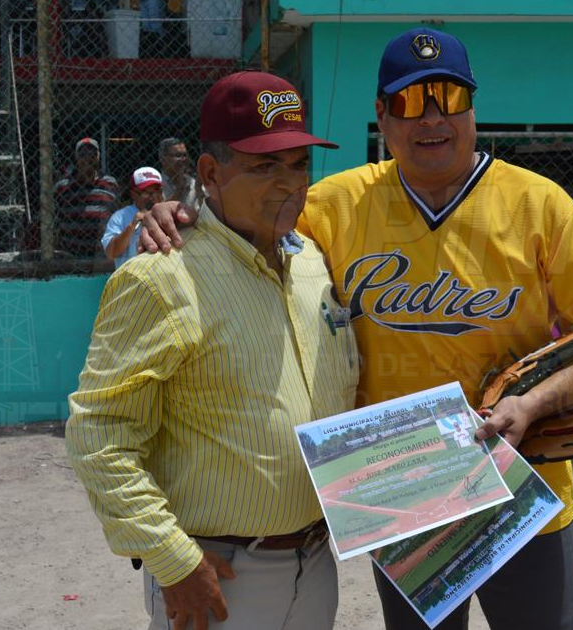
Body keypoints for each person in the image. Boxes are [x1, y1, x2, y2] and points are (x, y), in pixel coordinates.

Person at [141, 28, 573, 630]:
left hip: (521, 485)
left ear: (472, 108)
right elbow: (245, 216)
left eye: (449, 97)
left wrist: (532, 404)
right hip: (403, 491)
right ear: (381, 114)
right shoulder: (334, 204)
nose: (432, 118)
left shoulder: (540, 204)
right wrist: (184, 212)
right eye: (408, 101)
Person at [67, 71, 358, 630]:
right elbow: (98, 435)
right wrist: (172, 560)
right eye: (265, 166)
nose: (290, 184)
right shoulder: (162, 279)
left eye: (298, 165)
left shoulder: (313, 265)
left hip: (317, 563)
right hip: (221, 574)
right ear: (209, 172)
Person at [52, 137, 119, 258]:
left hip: (101, 255)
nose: (87, 157)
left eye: (92, 153)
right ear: (76, 158)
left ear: (99, 156)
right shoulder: (63, 187)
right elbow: (55, 221)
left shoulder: (109, 184)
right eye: (82, 154)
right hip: (70, 256)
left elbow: (116, 215)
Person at [100, 166, 163, 268]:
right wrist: (132, 225)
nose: (151, 197)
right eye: (146, 193)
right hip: (130, 278)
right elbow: (111, 253)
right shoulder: (120, 217)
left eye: (155, 192)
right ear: (133, 194)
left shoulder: (168, 213)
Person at [158, 137, 202, 206]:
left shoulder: (193, 183)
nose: (183, 159)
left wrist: (199, 190)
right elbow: (157, 211)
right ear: (163, 159)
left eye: (184, 155)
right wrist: (179, 189)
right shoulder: (156, 184)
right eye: (178, 155)